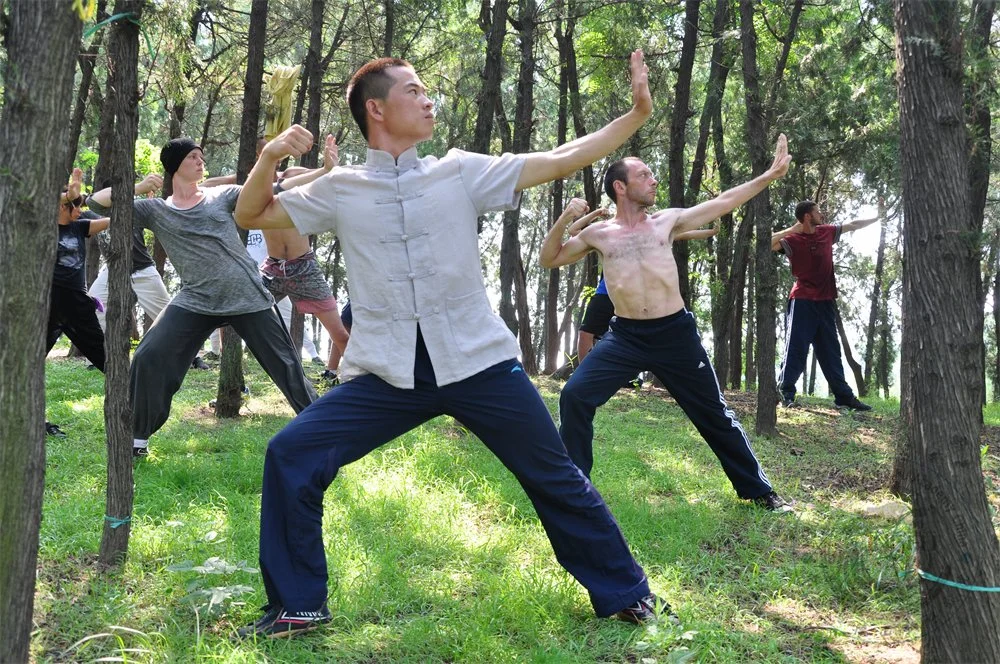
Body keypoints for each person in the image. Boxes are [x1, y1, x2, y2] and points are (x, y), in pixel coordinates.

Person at [234, 51, 670, 638]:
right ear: (377, 109)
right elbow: (251, 211)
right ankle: (298, 604)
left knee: (556, 475)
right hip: (388, 373)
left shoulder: (460, 171)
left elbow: (565, 156)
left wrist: (634, 116)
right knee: (292, 453)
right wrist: (270, 154)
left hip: (478, 362)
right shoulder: (341, 188)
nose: (428, 99)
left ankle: (626, 592)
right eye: (414, 91)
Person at [539, 140, 794, 512]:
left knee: (713, 414)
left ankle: (759, 491)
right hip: (625, 336)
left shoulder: (667, 221)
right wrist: (565, 218)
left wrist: (769, 175)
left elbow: (723, 202)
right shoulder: (599, 235)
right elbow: (550, 259)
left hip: (675, 335)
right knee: (575, 395)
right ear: (620, 187)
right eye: (644, 174)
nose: (653, 179)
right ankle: (576, 492)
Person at [87, 138, 320, 457]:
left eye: (201, 157)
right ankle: (136, 438)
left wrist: (325, 170)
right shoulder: (155, 210)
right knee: (148, 356)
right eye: (193, 157)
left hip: (245, 294)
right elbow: (98, 205)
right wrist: (140, 186)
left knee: (286, 367)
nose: (200, 161)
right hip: (196, 299)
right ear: (174, 166)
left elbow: (276, 188)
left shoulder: (222, 195)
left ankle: (324, 431)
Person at [204, 138, 350, 379]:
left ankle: (365, 380)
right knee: (225, 313)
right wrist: (235, 179)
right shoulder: (249, 185)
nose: (259, 163)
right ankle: (223, 373)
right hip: (272, 270)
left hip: (303, 267)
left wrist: (327, 167)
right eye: (255, 159)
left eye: (265, 156)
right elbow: (206, 185)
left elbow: (323, 175)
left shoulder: (289, 176)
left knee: (340, 334)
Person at [87, 186, 211, 371]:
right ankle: (99, 358)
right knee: (92, 307)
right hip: (112, 271)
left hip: (143, 271)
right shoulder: (92, 212)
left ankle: (193, 357)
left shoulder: (133, 208)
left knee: (169, 316)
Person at [770, 201, 878, 411]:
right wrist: (792, 228)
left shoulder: (826, 232)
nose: (822, 214)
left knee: (831, 351)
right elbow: (765, 243)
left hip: (826, 301)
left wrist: (876, 218)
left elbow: (853, 225)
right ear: (808, 216)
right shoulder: (792, 239)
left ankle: (843, 396)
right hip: (802, 301)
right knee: (796, 349)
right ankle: (786, 392)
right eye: (818, 211)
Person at [44, 168, 116, 436]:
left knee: (105, 357)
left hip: (76, 304)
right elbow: (52, 204)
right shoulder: (43, 226)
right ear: (64, 206)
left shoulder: (80, 226)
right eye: (76, 206)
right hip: (47, 304)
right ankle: (34, 420)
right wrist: (70, 191)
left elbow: (112, 219)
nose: (81, 211)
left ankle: (132, 401)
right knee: (29, 366)